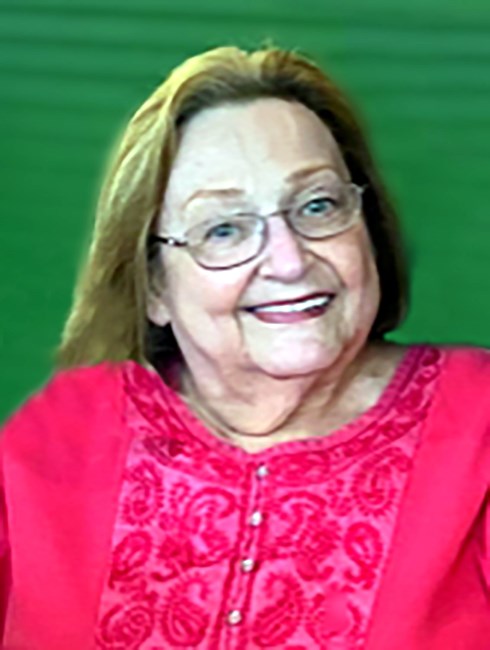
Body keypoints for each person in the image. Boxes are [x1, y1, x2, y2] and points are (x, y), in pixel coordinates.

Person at [0, 44, 489, 650]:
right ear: (155, 286)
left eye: (318, 206)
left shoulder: (479, 424)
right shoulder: (53, 447)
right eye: (224, 229)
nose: (289, 261)